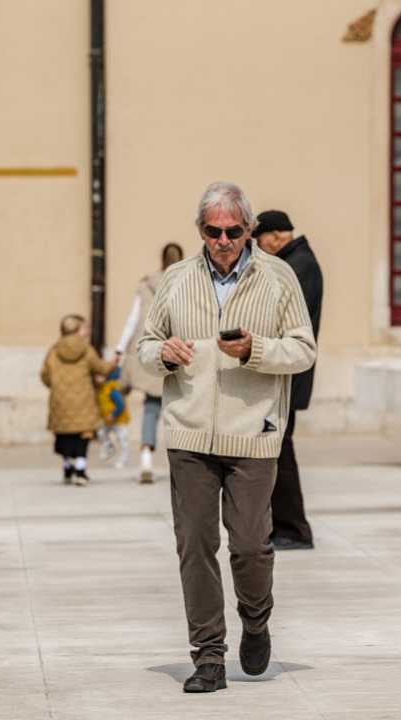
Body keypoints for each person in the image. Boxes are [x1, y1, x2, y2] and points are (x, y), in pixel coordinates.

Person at [137, 182, 316, 693]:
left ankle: (256, 622)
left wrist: (254, 350)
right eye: (212, 231)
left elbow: (303, 350)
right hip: (189, 433)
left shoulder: (278, 277)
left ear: (248, 230)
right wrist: (162, 356)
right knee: (194, 544)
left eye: (232, 231)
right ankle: (208, 657)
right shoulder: (175, 279)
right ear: (200, 230)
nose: (222, 240)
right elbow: (146, 347)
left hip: (253, 432)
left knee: (251, 546)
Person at [253, 211, 323, 550]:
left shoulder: (297, 265)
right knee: (276, 451)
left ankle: (294, 529)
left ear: (276, 236)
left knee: (279, 453)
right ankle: (283, 526)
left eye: (259, 240)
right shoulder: (298, 261)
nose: (258, 247)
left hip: (288, 374)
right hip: (288, 373)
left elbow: (281, 319)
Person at [115, 243, 184, 483]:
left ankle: (145, 457)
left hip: (155, 352)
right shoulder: (188, 282)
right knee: (183, 410)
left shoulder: (145, 285)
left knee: (152, 408)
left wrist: (119, 349)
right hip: (182, 353)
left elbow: (132, 321)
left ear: (161, 258)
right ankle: (185, 464)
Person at [40, 314, 117, 487]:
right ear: (76, 330)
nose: (88, 332)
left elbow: (44, 375)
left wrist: (56, 385)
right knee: (83, 435)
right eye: (85, 328)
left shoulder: (53, 350)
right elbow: (100, 368)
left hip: (60, 400)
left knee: (65, 435)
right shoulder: (86, 350)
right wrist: (114, 363)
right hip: (83, 400)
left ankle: (67, 468)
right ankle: (81, 472)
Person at [95, 366, 130, 469]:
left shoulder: (112, 388)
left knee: (123, 440)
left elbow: (121, 404)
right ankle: (109, 446)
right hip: (107, 421)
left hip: (119, 420)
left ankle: (124, 460)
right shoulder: (100, 389)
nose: (96, 378)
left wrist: (113, 414)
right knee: (100, 432)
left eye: (99, 376)